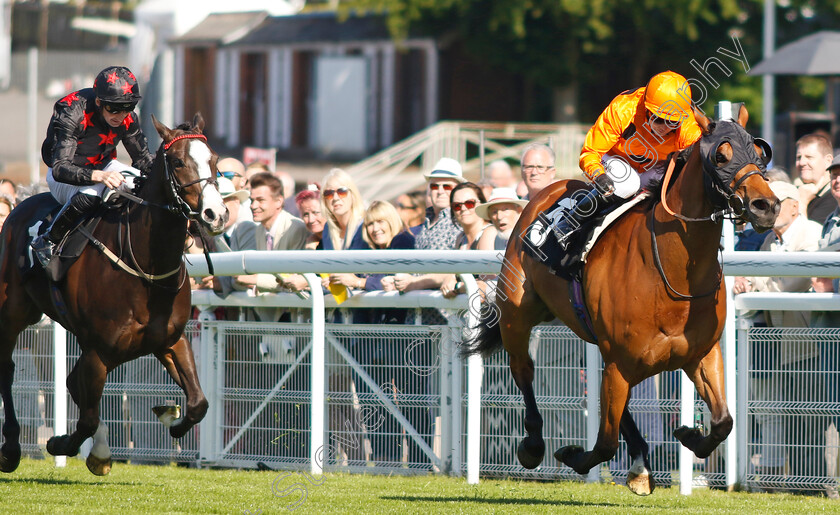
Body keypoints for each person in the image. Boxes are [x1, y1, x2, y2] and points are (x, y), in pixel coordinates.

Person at [732, 180, 827, 495]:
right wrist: (756, 283)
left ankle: (813, 487)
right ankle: (801, 486)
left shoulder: (811, 232)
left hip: (810, 343)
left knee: (810, 420)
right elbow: (763, 281)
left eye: (778, 201)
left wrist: (756, 285)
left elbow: (792, 284)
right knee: (792, 417)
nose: (770, 207)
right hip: (782, 345)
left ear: (795, 206)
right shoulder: (769, 241)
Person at [31, 65, 153, 267]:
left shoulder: (127, 117)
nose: (121, 116)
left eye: (127, 108)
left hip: (105, 167)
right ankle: (47, 240)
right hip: (62, 175)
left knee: (141, 186)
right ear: (99, 102)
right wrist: (99, 176)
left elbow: (143, 161)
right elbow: (61, 167)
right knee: (93, 193)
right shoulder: (72, 111)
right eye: (113, 109)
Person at [561, 71, 703, 235]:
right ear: (646, 108)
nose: (665, 127)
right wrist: (598, 175)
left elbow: (697, 162)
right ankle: (572, 220)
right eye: (658, 119)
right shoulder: (623, 108)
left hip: (654, 167)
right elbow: (590, 152)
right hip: (615, 160)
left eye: (672, 121)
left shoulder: (688, 124)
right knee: (628, 183)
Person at [810, 154, 840, 499]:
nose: (837, 180)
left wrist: (833, 287)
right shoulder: (831, 218)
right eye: (834, 175)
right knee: (830, 410)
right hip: (826, 332)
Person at [794, 133, 835, 224]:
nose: (802, 162)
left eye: (809, 157)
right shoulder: (795, 192)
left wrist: (803, 202)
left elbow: (806, 237)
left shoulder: (835, 198)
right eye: (798, 157)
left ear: (828, 161)